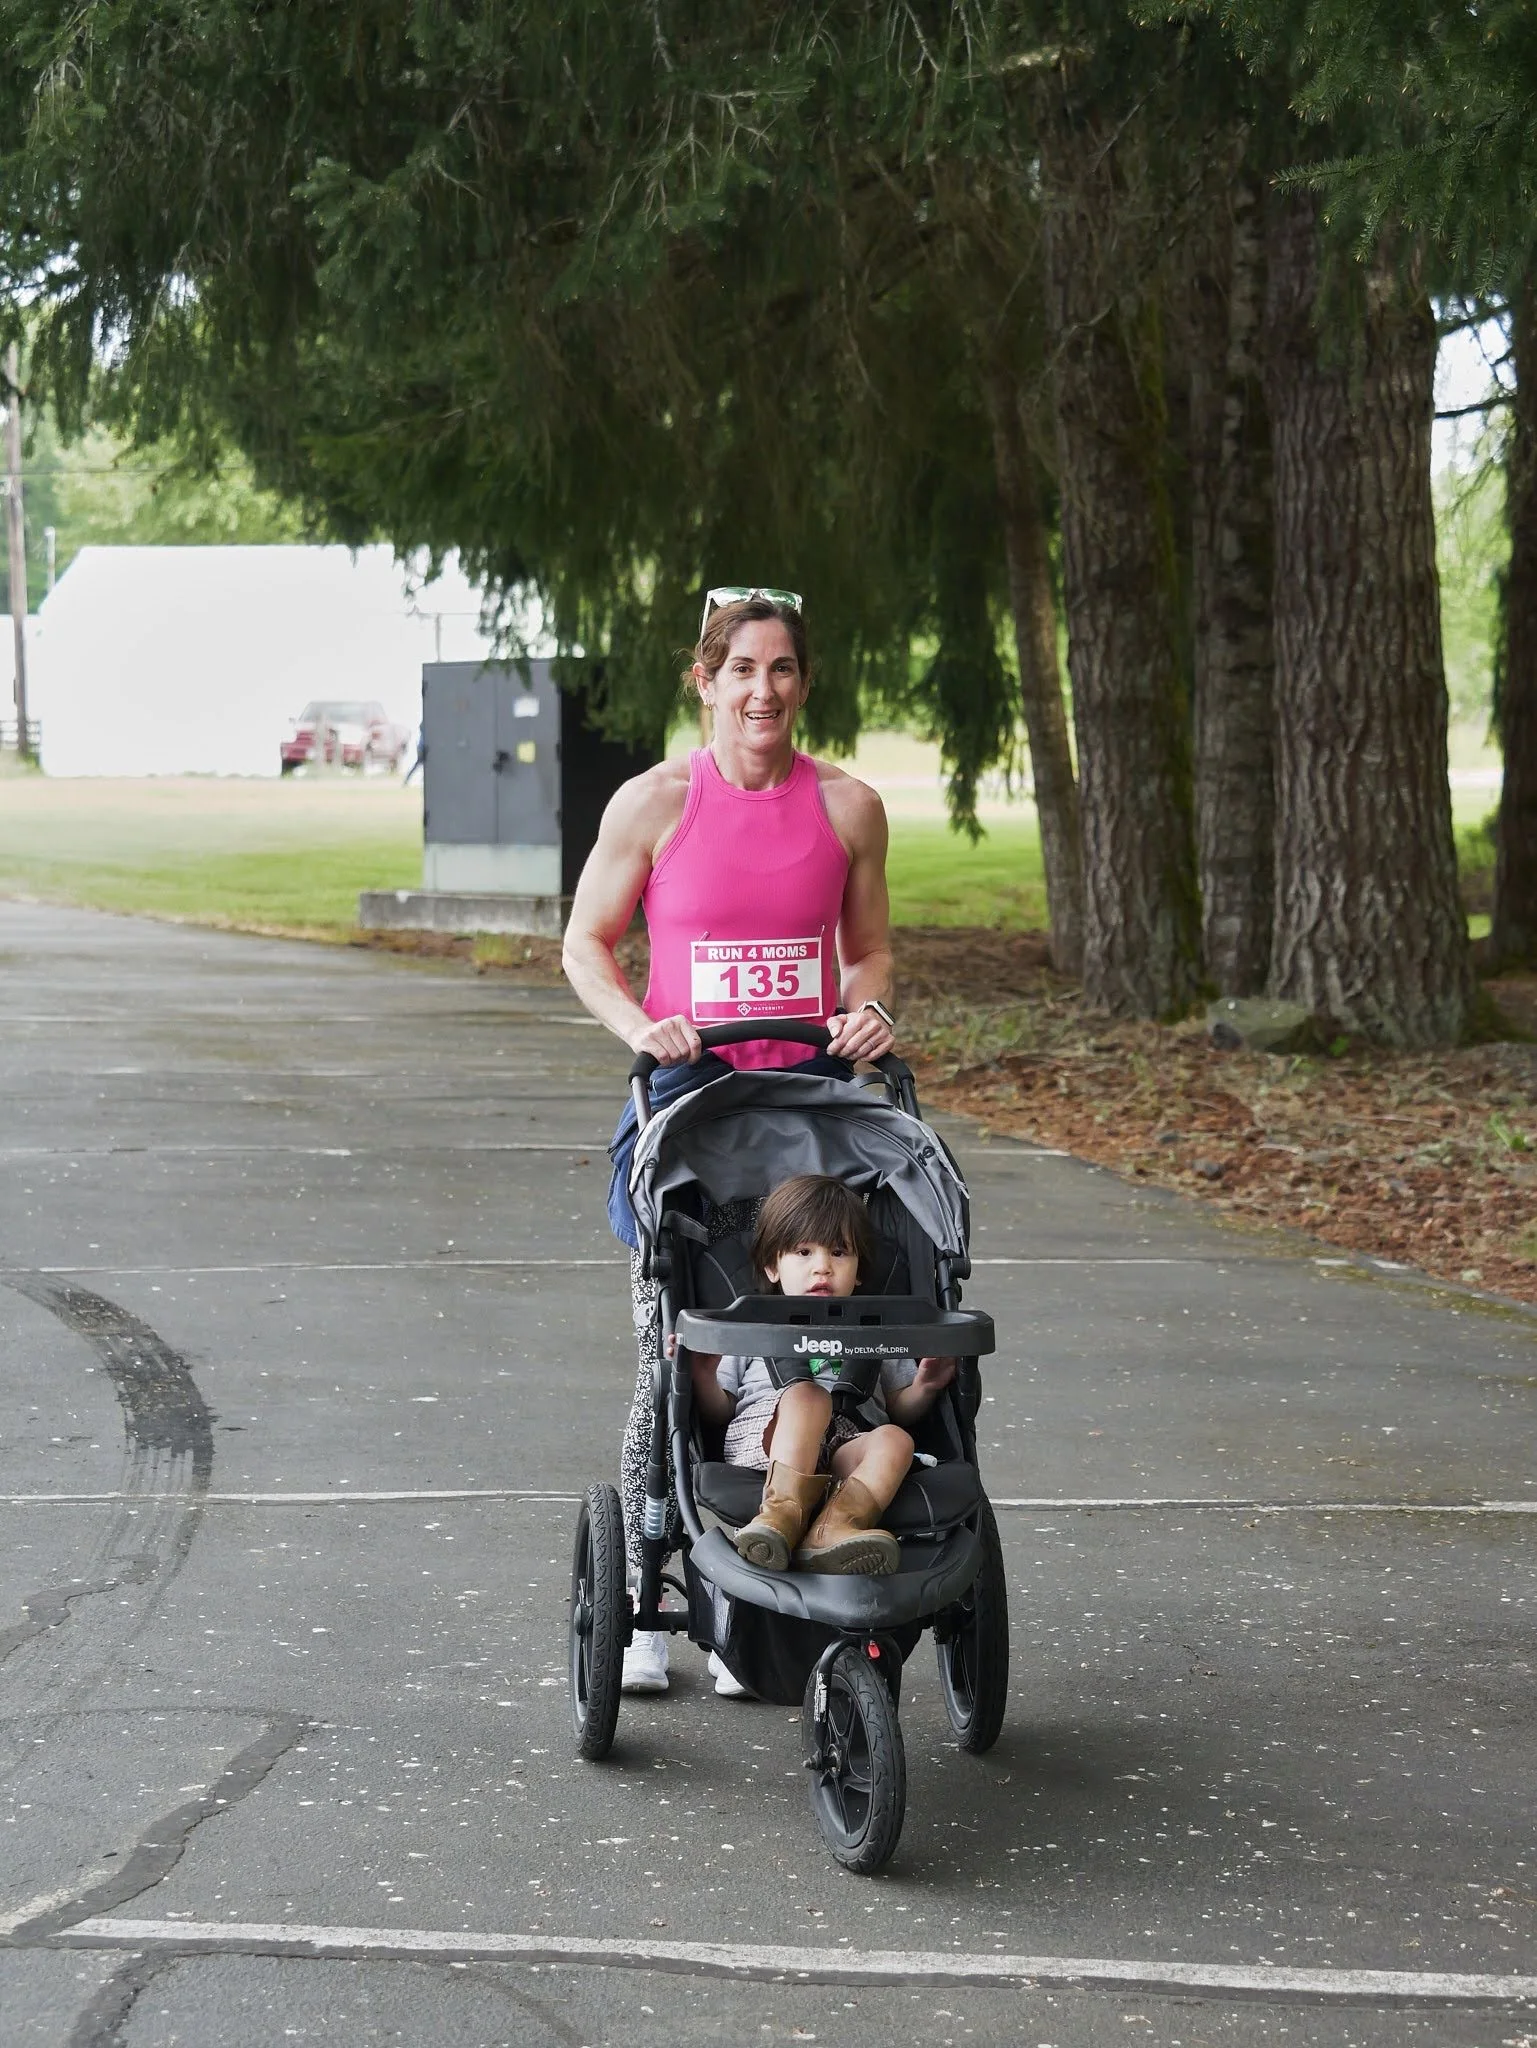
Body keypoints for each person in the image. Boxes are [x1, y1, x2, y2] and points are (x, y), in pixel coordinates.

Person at [562, 587, 898, 1694]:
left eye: (782, 668)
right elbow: (585, 943)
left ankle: (772, 1585)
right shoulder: (655, 802)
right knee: (674, 1360)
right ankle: (645, 1607)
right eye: (742, 668)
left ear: (804, 681)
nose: (764, 690)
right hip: (689, 1118)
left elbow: (868, 950)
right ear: (704, 679)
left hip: (811, 1120)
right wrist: (638, 1026)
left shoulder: (848, 806)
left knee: (816, 1351)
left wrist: (866, 1007)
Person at [688, 1175, 957, 1578]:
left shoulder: (876, 1331)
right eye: (803, 1252)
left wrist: (925, 1386)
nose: (823, 1267)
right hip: (769, 1442)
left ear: (859, 1269)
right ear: (772, 1266)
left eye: (839, 1252)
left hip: (847, 1444)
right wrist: (703, 1375)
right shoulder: (750, 1326)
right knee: (807, 1397)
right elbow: (719, 1410)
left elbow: (899, 1408)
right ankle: (780, 1516)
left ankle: (834, 1529)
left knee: (896, 1439)